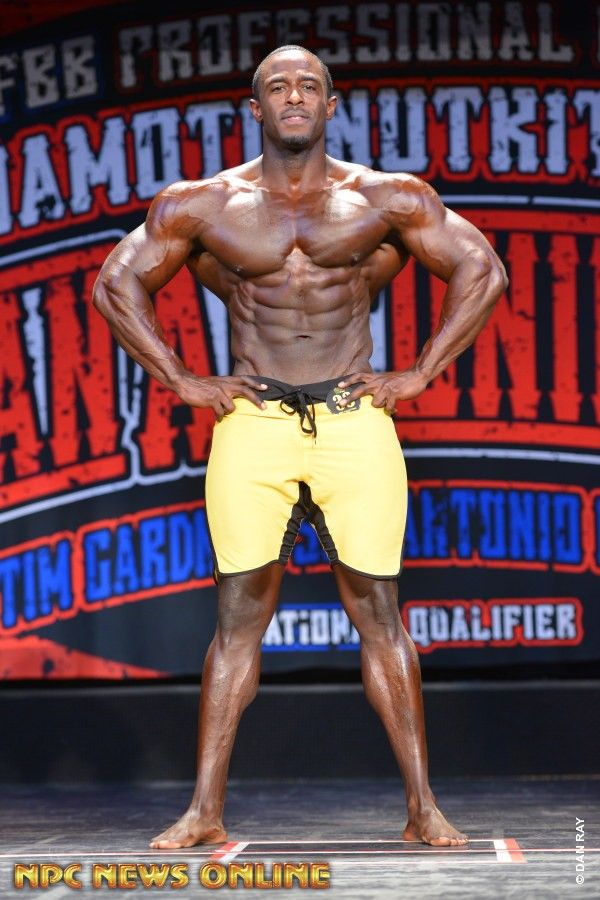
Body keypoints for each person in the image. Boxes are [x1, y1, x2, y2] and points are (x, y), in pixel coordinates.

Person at [93, 45, 507, 849]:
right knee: (237, 616)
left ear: (329, 103)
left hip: (353, 417)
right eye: (278, 86)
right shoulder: (204, 204)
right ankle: (204, 810)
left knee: (378, 612)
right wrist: (182, 378)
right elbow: (117, 281)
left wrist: (422, 371)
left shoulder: (384, 197)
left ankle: (423, 807)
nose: (294, 96)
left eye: (308, 85)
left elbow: (481, 269)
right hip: (255, 421)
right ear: (255, 108)